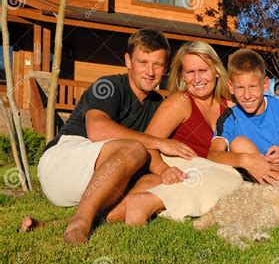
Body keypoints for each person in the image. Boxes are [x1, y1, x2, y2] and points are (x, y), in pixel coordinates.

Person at [21, 28, 197, 244]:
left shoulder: (158, 105)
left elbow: (153, 155)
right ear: (128, 61)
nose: (150, 71)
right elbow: (98, 131)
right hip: (62, 163)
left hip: (100, 181)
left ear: (166, 67)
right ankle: (80, 224)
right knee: (134, 149)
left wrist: (165, 171)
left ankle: (61, 224)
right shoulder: (110, 86)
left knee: (155, 182)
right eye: (142, 62)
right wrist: (160, 142)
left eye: (158, 64)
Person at [119, 41, 243, 225]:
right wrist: (164, 169)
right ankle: (147, 202)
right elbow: (147, 143)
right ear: (183, 76)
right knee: (233, 179)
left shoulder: (230, 107)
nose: (197, 78)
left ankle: (153, 195)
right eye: (190, 72)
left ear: (216, 71)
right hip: (180, 164)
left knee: (231, 178)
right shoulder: (181, 102)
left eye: (203, 70)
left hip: (209, 170)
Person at [208, 49, 279, 184]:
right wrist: (245, 160)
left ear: (265, 84)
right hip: (264, 181)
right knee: (238, 143)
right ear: (231, 87)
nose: (247, 95)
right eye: (240, 88)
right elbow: (213, 155)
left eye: (253, 86)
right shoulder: (230, 118)